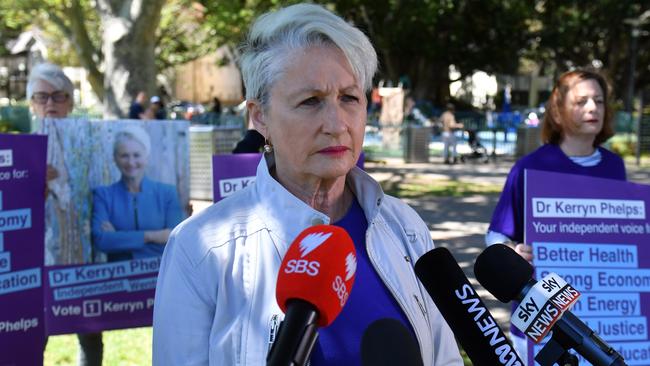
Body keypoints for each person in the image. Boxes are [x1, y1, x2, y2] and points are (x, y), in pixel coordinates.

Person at [153, 4, 463, 365]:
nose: (336, 123)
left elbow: (444, 358)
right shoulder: (202, 248)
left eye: (349, 98)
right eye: (310, 101)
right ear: (260, 116)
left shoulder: (405, 227)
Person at [485, 69, 626, 363]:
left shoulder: (615, 168)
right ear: (558, 112)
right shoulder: (529, 167)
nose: (592, 108)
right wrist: (512, 253)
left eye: (599, 101)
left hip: (606, 317)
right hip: (541, 320)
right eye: (581, 101)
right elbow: (496, 236)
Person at [27, 62, 103, 366]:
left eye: (58, 96)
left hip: (80, 254)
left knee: (89, 334)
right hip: (37, 261)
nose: (50, 104)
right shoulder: (20, 150)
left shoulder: (88, 144)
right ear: (31, 103)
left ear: (70, 102)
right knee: (35, 333)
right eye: (41, 97)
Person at [92, 126, 183, 262]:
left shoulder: (167, 193)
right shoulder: (103, 195)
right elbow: (101, 240)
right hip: (119, 277)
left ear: (146, 157)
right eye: (124, 156)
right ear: (115, 159)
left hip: (158, 275)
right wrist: (151, 236)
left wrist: (118, 237)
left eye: (136, 155)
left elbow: (175, 238)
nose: (131, 162)